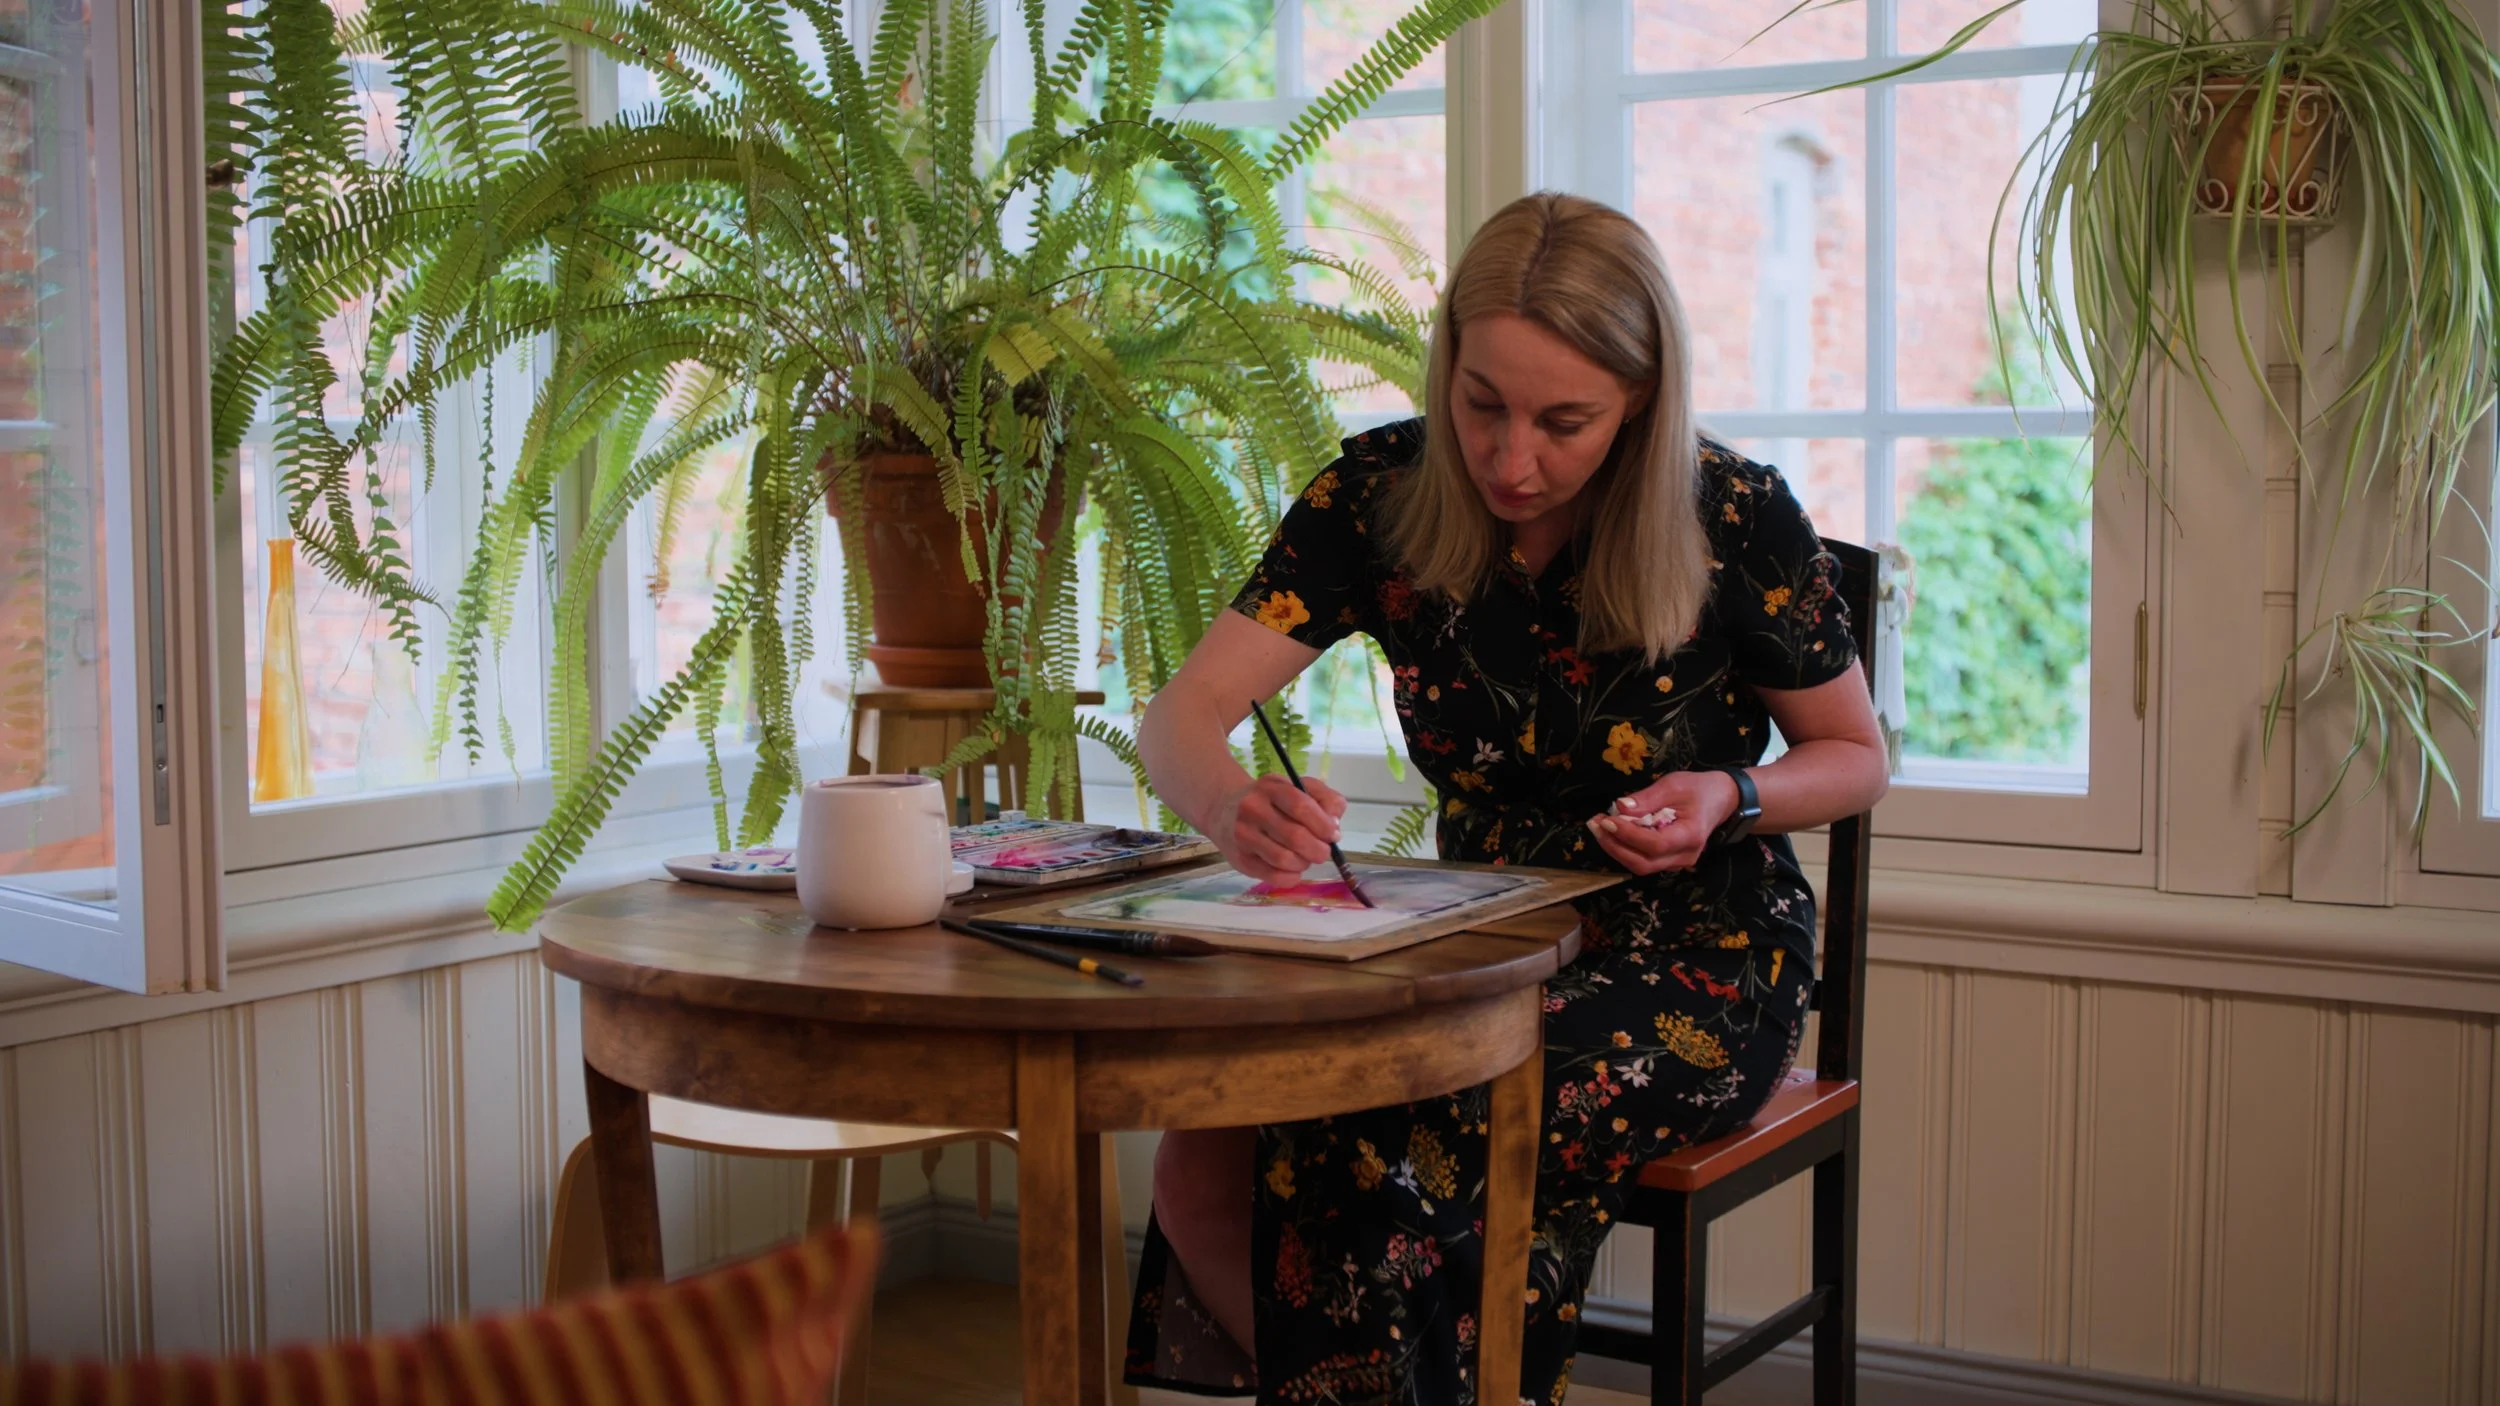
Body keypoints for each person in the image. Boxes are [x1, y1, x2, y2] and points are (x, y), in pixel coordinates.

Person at [1126, 191, 1891, 1406]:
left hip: (1702, 945)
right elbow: (1176, 720)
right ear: (1446, 366)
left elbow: (1855, 752)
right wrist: (1228, 806)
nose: (1510, 458)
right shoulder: (1375, 496)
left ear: (1638, 402)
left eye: (1564, 421)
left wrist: (1726, 792)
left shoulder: (1731, 516)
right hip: (1477, 934)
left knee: (1400, 1114)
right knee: (1216, 1143)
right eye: (1481, 404)